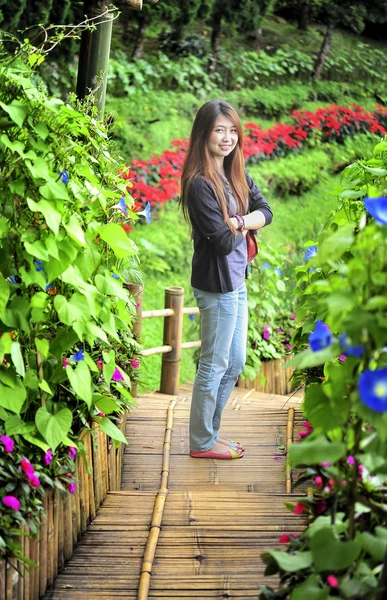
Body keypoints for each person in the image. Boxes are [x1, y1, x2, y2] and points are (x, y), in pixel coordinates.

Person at [179, 100, 273, 460]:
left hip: (238, 280)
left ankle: (211, 434)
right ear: (204, 133)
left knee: (234, 363)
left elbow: (266, 211)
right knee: (214, 364)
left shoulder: (236, 173)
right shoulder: (200, 184)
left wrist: (239, 221)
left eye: (233, 130)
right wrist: (239, 222)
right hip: (216, 286)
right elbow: (219, 241)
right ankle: (202, 442)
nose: (227, 137)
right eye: (220, 129)